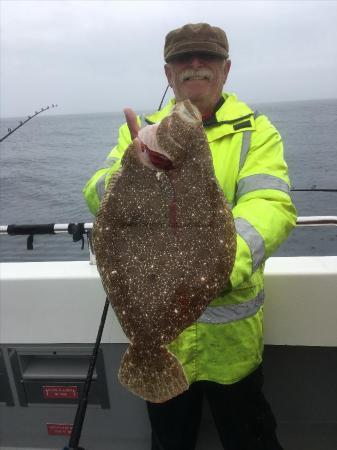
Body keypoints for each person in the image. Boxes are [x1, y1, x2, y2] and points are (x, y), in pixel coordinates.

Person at [83, 23, 297, 450]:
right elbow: (95, 192)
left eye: (207, 58)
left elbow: (270, 206)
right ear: (168, 73)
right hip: (166, 342)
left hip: (230, 345)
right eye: (184, 59)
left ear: (226, 68)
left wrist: (212, 267)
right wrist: (132, 166)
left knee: (249, 438)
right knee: (170, 441)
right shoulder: (138, 133)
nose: (195, 65)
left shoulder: (256, 131)